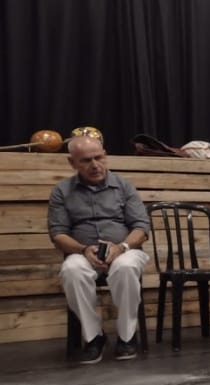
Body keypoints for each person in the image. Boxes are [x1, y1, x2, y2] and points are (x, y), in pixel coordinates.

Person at [47, 136, 150, 364]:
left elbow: (141, 227)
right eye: (86, 160)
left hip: (124, 250)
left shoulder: (124, 186)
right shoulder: (61, 191)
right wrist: (83, 249)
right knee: (71, 270)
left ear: (105, 155)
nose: (95, 165)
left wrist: (121, 247)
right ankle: (94, 337)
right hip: (83, 252)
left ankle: (127, 336)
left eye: (98, 157)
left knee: (126, 267)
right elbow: (58, 234)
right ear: (72, 163)